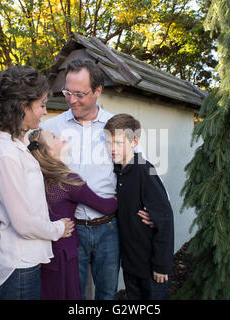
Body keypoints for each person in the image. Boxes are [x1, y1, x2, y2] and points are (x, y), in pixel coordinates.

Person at [41, 59, 154, 300]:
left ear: (98, 91)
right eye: (67, 92)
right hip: (69, 231)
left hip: (109, 229)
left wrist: (152, 208)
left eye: (80, 94)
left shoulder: (117, 126)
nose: (72, 100)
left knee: (107, 293)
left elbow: (139, 169)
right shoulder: (52, 127)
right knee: (73, 294)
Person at [0, 65, 74, 300]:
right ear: (23, 106)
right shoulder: (6, 153)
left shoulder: (15, 147)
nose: (45, 111)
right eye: (41, 104)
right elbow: (22, 223)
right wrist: (58, 229)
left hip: (26, 260)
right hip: (18, 267)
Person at [27, 128, 117, 299]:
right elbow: (106, 207)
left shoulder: (37, 177)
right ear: (49, 151)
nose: (61, 136)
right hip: (63, 254)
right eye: (54, 136)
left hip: (44, 251)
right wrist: (117, 197)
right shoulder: (67, 181)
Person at [104, 113, 174, 300]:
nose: (112, 148)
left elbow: (165, 219)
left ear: (134, 141)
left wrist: (161, 265)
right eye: (109, 143)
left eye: (118, 143)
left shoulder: (144, 169)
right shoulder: (118, 171)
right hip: (130, 265)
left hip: (151, 268)